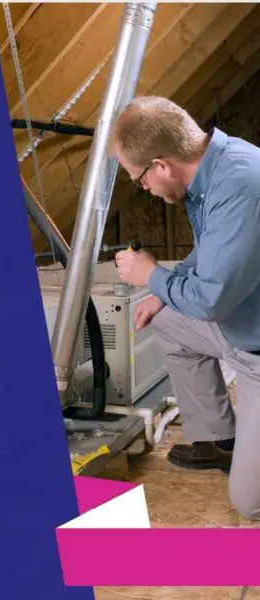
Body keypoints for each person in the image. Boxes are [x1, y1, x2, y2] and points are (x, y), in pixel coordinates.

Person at [109, 95, 260, 520]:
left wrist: (151, 275)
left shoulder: (243, 186)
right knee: (167, 318)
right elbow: (210, 250)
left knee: (250, 503)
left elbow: (211, 299)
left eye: (139, 178)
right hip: (244, 326)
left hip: (256, 348)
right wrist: (161, 292)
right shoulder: (214, 169)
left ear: (161, 165)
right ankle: (221, 440)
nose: (144, 188)